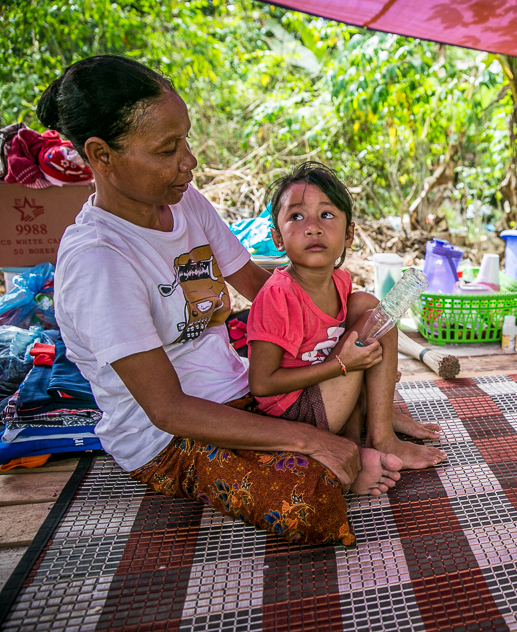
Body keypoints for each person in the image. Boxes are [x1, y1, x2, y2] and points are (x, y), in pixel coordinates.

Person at [40, 55, 437, 546]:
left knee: (369, 312)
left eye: (185, 139)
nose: (189, 161)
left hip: (242, 391)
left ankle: (372, 428)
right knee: (308, 499)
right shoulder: (99, 261)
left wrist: (330, 328)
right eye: (168, 148)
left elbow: (258, 284)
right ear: (101, 156)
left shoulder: (182, 200)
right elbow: (167, 409)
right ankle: (350, 435)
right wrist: (314, 437)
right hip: (174, 437)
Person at [245, 162, 446, 493]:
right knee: (368, 332)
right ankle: (381, 436)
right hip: (294, 413)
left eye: (326, 215)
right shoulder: (278, 296)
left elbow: (345, 339)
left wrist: (355, 367)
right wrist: (341, 365)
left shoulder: (340, 282)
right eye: (296, 216)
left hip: (324, 390)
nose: (313, 227)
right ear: (277, 239)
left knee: (369, 307)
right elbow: (262, 385)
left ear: (349, 233)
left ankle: (369, 434)